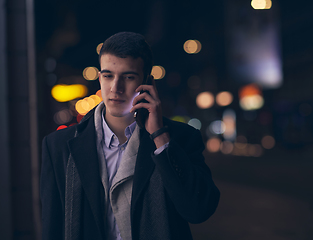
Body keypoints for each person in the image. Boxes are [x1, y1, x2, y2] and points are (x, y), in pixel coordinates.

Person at [40, 32, 220, 240]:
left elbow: (198, 211)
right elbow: (52, 229)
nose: (115, 88)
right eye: (108, 76)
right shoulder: (58, 146)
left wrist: (160, 137)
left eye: (128, 77)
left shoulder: (180, 138)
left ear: (147, 82)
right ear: (100, 78)